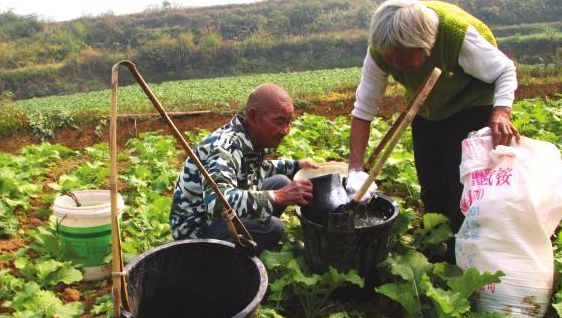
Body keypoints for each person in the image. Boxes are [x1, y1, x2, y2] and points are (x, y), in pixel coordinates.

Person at [346, 0, 520, 262]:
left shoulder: (457, 36)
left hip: (472, 103)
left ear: (425, 42)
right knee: (431, 181)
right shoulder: (381, 49)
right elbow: (363, 109)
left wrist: (501, 112)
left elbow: (505, 70)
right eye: (391, 57)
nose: (395, 63)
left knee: (459, 181)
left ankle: (463, 255)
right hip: (427, 106)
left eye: (403, 57)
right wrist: (355, 170)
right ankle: (435, 246)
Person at [170, 83, 317, 252]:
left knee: (282, 181)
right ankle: (231, 260)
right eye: (279, 122)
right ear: (253, 116)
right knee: (273, 227)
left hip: (220, 216)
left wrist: (297, 165)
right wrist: (278, 196)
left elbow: (260, 168)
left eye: (288, 122)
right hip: (196, 230)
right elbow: (218, 203)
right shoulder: (225, 147)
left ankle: (250, 237)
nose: (286, 130)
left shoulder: (248, 138)